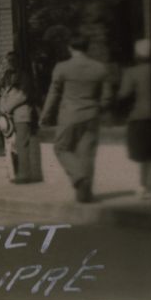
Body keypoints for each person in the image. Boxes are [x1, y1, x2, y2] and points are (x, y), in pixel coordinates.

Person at [40, 35, 113, 203]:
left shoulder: (62, 67)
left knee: (61, 148)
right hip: (92, 115)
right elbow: (107, 97)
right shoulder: (100, 68)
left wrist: (45, 116)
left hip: (70, 115)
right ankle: (85, 195)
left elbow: (53, 94)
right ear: (87, 48)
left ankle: (79, 176)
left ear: (70, 48)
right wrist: (98, 108)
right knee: (86, 153)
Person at [117, 38, 151, 200]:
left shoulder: (132, 72)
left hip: (140, 116)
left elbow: (123, 95)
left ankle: (143, 186)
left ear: (137, 54)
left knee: (143, 154)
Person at [0, 70, 42, 184]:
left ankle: (23, 174)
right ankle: (17, 173)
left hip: (20, 116)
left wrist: (6, 108)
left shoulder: (23, 80)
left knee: (20, 144)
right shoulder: (9, 85)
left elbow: (21, 96)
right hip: (11, 119)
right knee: (15, 146)